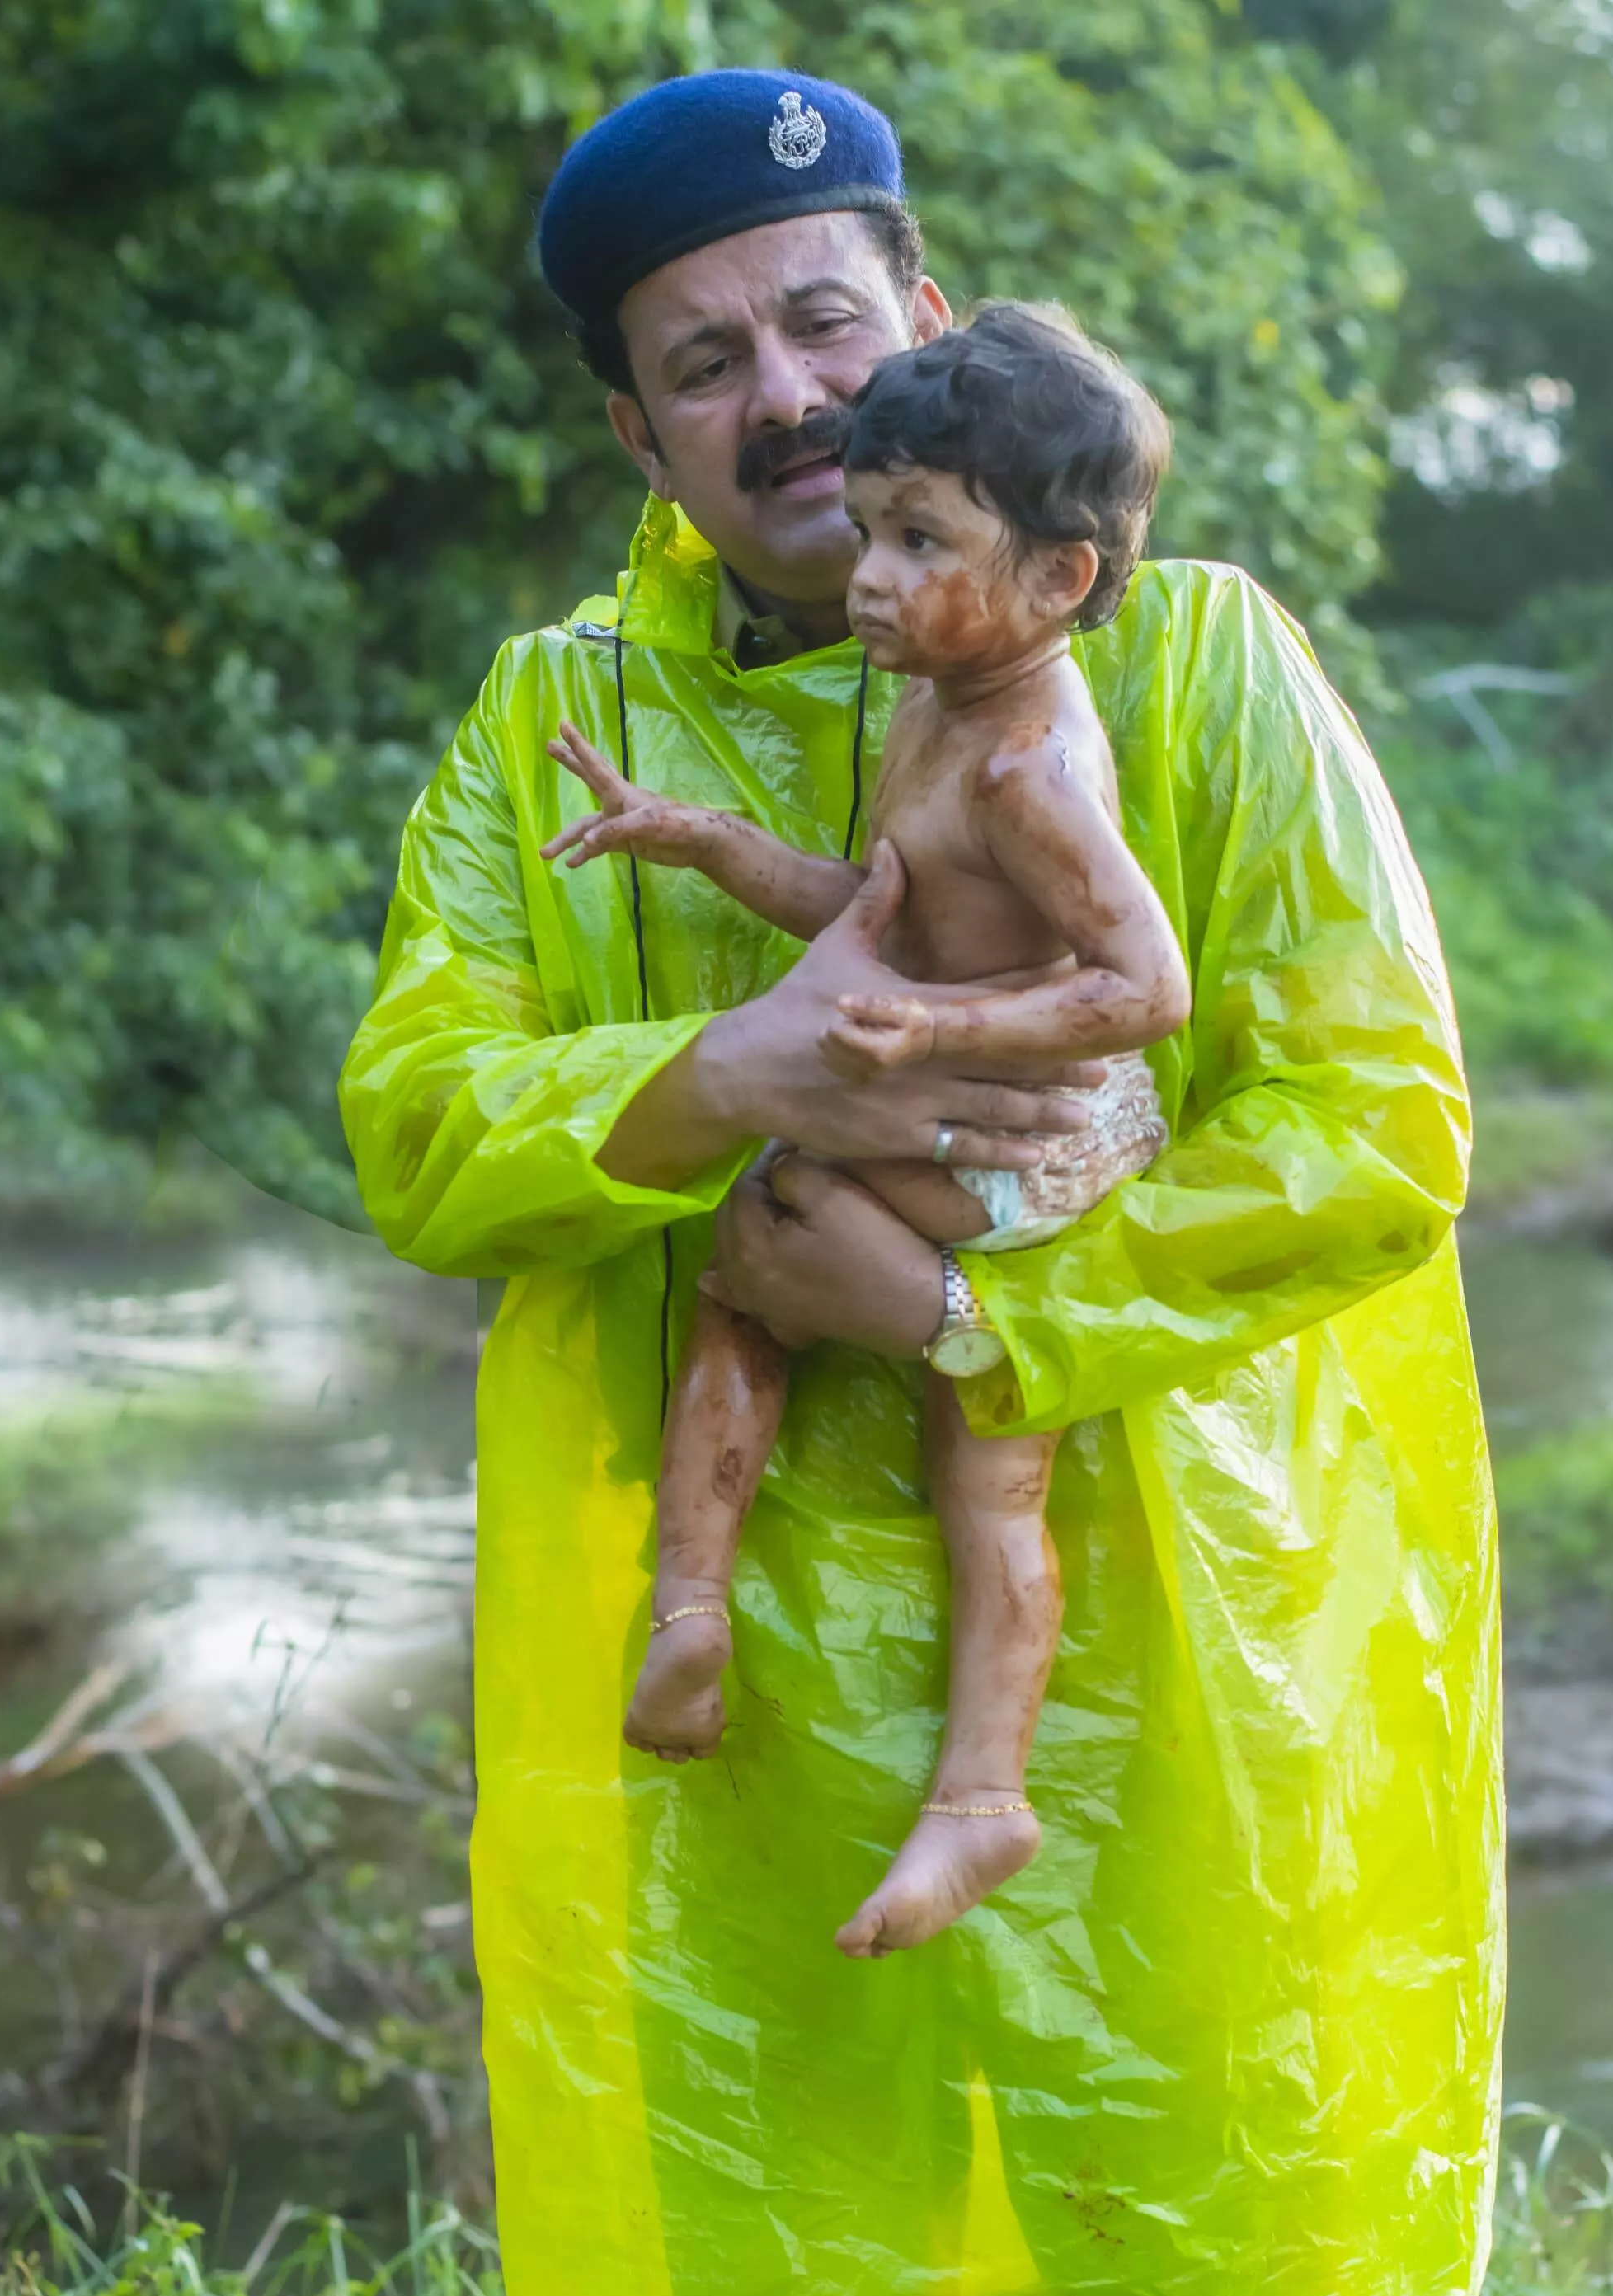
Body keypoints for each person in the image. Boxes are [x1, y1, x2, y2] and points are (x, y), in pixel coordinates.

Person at [339, 63, 1502, 2296]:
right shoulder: (550, 719)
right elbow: (427, 1111)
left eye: (821, 320)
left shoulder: (1191, 656)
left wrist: (995, 1321)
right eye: (703, 357)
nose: (785, 398)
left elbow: (1378, 1116)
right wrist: (689, 1079)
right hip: (727, 1667)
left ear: (917, 313)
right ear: (632, 417)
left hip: (1120, 1630)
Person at [538, 303, 1188, 1957]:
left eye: (918, 541)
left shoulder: (1025, 765)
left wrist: (939, 1030)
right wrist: (696, 838)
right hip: (966, 1109)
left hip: (1020, 1140)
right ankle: (902, 1750)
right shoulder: (941, 708)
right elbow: (876, 906)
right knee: (938, 1438)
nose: (870, 577)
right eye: (866, 530)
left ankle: (770, 1658)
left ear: (1057, 580)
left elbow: (1145, 985)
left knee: (783, 1286)